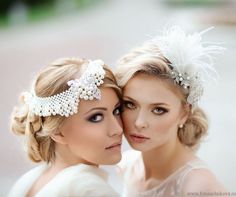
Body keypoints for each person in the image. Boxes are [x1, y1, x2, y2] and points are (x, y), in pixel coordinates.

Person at [115, 26, 227, 196]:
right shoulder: (127, 165)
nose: (139, 122)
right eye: (130, 105)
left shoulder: (199, 187)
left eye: (159, 110)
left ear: (184, 113)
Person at [9, 58, 122, 197]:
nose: (118, 129)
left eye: (117, 111)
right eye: (96, 117)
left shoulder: (28, 182)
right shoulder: (87, 189)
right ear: (57, 131)